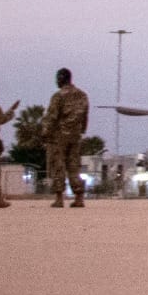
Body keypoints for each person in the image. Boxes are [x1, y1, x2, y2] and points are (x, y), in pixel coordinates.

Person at [43, 67, 89, 208]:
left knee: (59, 166)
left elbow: (52, 117)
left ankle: (59, 198)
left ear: (60, 79)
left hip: (60, 136)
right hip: (75, 136)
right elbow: (85, 116)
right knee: (74, 166)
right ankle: (79, 197)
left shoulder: (58, 96)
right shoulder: (82, 95)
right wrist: (81, 130)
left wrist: (45, 133)